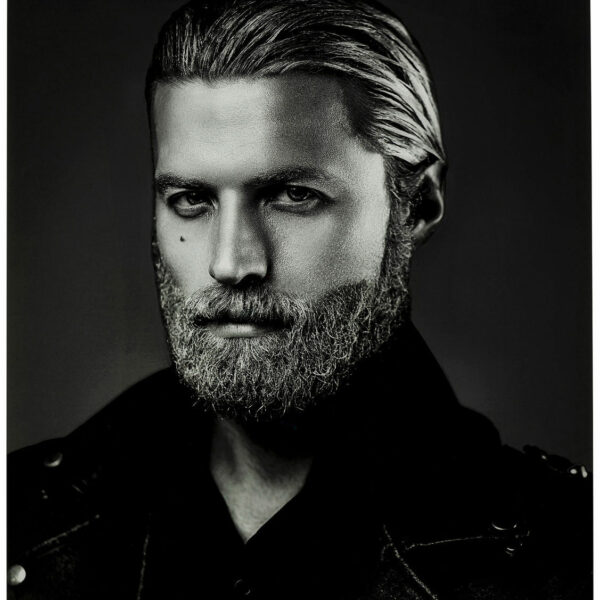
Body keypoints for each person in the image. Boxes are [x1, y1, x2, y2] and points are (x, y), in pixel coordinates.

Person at [8, 1, 591, 598]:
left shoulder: (562, 563)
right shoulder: (23, 524)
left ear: (416, 204)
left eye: (292, 195)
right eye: (191, 200)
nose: (230, 263)